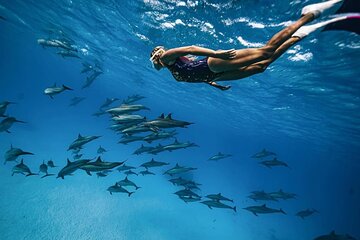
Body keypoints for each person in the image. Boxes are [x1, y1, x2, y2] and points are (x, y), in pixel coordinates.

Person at [150, 0, 359, 90]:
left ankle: (309, 15)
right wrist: (213, 84)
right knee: (261, 67)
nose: (159, 52)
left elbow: (191, 49)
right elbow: (192, 75)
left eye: (158, 50)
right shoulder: (172, 73)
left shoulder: (168, 57)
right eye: (156, 52)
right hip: (214, 75)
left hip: (213, 63)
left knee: (265, 51)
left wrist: (218, 54)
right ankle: (300, 35)